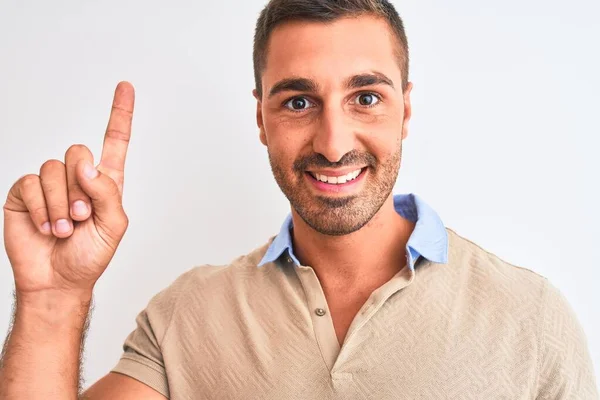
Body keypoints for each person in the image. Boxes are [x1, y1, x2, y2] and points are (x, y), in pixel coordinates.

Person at [0, 0, 597, 398]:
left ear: (405, 110)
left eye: (365, 97)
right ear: (260, 117)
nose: (334, 144)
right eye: (297, 101)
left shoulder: (530, 319)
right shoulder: (187, 317)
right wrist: (54, 299)